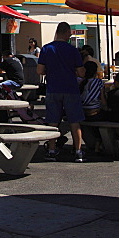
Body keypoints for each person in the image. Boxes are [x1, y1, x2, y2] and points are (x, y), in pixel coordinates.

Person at [37, 22, 86, 161]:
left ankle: (52, 150)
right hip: (71, 88)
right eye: (69, 33)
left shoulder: (46, 49)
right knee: (75, 121)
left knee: (53, 121)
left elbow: (39, 70)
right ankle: (78, 151)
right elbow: (81, 72)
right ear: (65, 33)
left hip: (53, 88)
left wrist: (50, 71)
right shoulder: (73, 50)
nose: (70, 35)